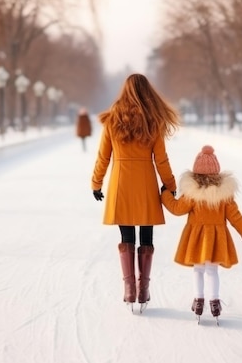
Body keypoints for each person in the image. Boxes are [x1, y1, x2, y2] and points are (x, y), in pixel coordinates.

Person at [91, 73, 180, 312]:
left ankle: (129, 289)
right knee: (146, 236)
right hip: (146, 184)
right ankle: (144, 290)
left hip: (121, 185)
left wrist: (96, 183)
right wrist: (170, 185)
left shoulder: (112, 120)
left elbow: (103, 156)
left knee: (126, 237)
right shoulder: (153, 121)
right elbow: (161, 159)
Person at [160, 145, 242, 322]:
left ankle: (199, 300)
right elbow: (235, 216)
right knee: (212, 271)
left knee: (198, 270)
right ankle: (215, 302)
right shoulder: (224, 195)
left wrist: (165, 194)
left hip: (196, 239)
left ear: (196, 173)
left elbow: (177, 208)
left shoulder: (192, 194)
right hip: (216, 239)